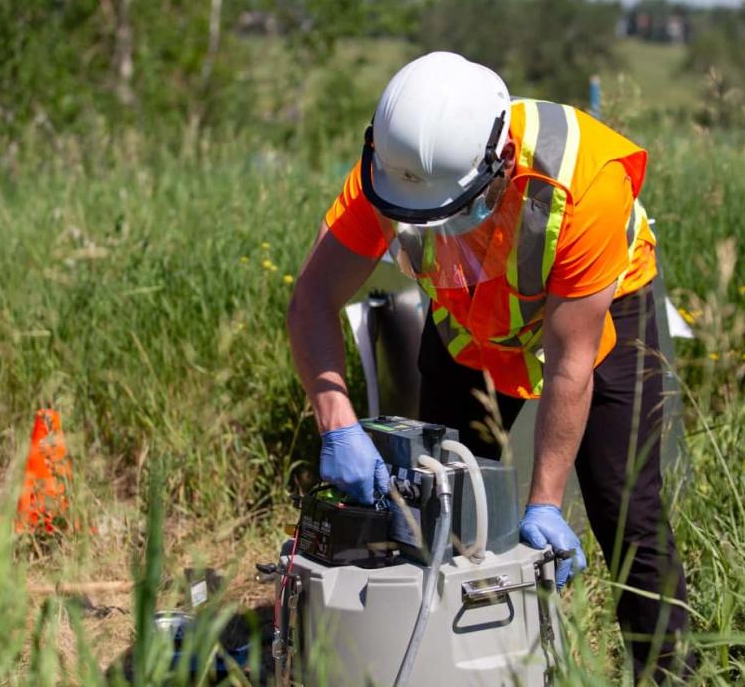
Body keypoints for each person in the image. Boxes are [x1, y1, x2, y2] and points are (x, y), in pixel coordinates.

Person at [287, 51, 692, 682]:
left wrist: (545, 501)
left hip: (599, 313)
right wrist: (337, 423)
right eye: (421, 224)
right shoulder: (392, 173)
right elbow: (312, 299)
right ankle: (458, 665)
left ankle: (666, 673)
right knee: (443, 499)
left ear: (499, 165)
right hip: (467, 321)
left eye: (451, 216)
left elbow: (569, 365)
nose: (439, 236)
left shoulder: (585, 181)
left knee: (627, 513)